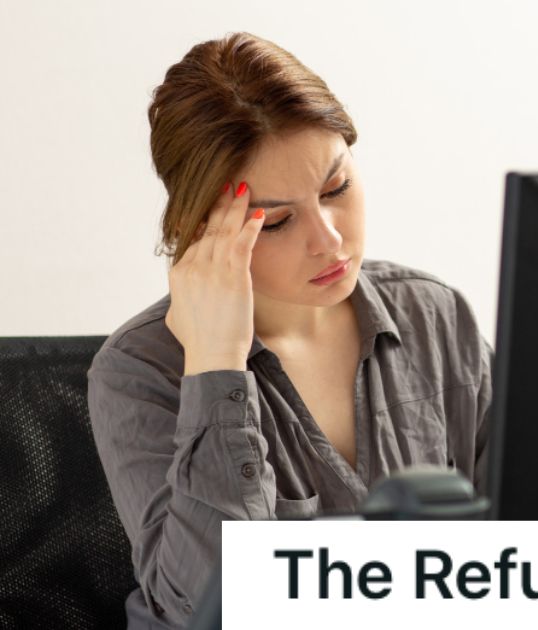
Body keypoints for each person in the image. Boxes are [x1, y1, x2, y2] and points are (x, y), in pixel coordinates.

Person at [86, 32, 491, 629]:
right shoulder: (138, 371)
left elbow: (529, 541)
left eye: (337, 188)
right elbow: (206, 607)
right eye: (275, 221)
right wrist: (216, 364)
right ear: (205, 230)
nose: (328, 239)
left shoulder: (435, 314)